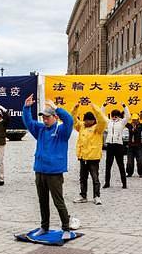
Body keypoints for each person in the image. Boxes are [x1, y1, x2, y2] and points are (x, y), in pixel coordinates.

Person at [22, 94, 74, 238]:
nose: (44, 120)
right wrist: (27, 108)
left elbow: (69, 120)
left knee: (58, 201)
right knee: (42, 201)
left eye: (47, 117)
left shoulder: (62, 131)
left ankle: (66, 229)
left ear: (55, 117)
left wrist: (57, 108)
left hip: (54, 172)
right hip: (40, 170)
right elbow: (29, 122)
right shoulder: (40, 129)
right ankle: (44, 227)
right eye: (43, 117)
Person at [71, 100, 108, 204]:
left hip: (93, 158)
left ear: (93, 121)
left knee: (95, 178)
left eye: (89, 120)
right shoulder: (82, 126)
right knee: (82, 178)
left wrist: (95, 108)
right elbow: (73, 120)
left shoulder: (98, 128)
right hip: (83, 157)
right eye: (85, 120)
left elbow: (103, 120)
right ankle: (83, 196)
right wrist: (75, 109)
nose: (87, 122)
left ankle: (97, 196)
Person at [103, 103, 131, 189]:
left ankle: (124, 183)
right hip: (110, 145)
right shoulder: (109, 122)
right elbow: (101, 115)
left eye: (116, 116)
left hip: (118, 145)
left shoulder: (122, 122)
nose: (114, 117)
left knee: (120, 165)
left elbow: (128, 116)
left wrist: (124, 106)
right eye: (113, 116)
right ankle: (107, 183)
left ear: (119, 116)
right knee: (108, 165)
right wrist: (103, 106)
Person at [125, 110, 142, 178]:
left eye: (135, 120)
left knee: (140, 160)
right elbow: (123, 121)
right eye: (133, 120)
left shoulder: (140, 126)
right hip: (130, 147)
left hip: (138, 146)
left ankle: (141, 173)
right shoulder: (129, 126)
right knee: (130, 161)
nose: (134, 121)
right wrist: (123, 112)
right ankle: (129, 173)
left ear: (138, 120)